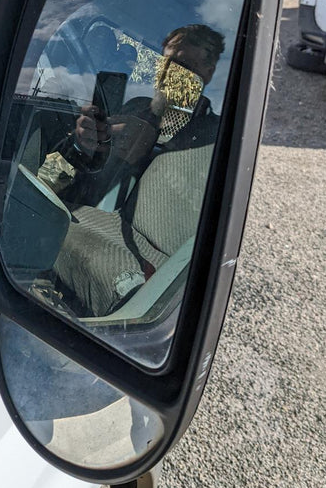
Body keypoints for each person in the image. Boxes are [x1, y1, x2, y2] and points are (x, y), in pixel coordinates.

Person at [51, 24, 226, 317]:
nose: (170, 74)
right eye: (165, 62)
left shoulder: (213, 139)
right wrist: (87, 146)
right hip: (86, 215)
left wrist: (145, 153)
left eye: (184, 67)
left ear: (208, 72)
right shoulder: (136, 108)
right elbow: (75, 176)